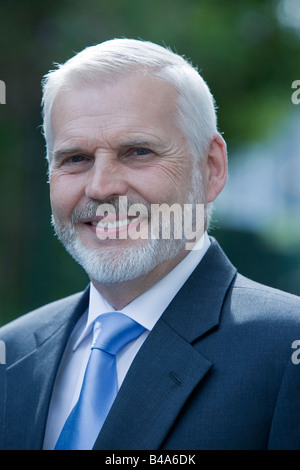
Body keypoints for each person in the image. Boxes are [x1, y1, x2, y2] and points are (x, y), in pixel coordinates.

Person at [0, 38, 299, 451]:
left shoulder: (285, 352)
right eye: (75, 159)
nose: (102, 187)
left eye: (138, 151)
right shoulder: (11, 354)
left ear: (211, 168)